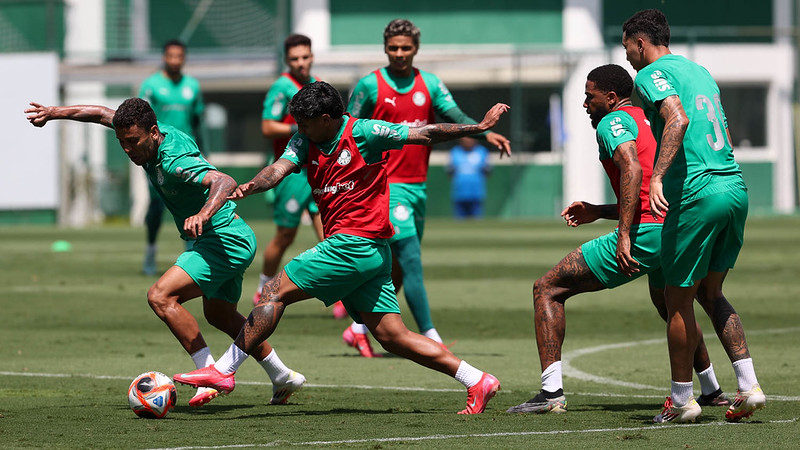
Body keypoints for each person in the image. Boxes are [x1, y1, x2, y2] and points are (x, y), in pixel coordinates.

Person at [173, 81, 507, 414]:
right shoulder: (305, 139)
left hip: (355, 243)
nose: (299, 129)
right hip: (371, 253)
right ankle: (477, 379)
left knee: (274, 291)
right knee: (393, 336)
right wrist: (252, 186)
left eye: (305, 122)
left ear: (328, 118)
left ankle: (224, 370)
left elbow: (424, 133)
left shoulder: (365, 132)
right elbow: (279, 169)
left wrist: (477, 128)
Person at [25, 98, 306, 408]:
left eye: (133, 141)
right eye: (121, 142)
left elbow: (223, 180)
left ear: (153, 132)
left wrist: (203, 213)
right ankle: (282, 375)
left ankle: (210, 374)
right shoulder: (146, 137)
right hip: (227, 238)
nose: (128, 149)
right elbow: (100, 113)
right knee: (220, 315)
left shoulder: (174, 159)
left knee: (160, 296)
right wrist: (53, 113)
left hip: (224, 239)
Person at [506, 64, 730, 415]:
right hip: (672, 229)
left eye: (589, 96)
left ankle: (550, 394)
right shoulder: (647, 118)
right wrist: (599, 210)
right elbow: (645, 189)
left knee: (547, 288)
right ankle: (712, 389)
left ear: (610, 98)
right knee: (672, 306)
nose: (584, 104)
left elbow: (632, 169)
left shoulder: (612, 122)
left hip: (644, 234)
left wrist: (623, 233)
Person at [622, 9, 765, 423]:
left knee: (676, 298)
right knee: (712, 293)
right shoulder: (700, 71)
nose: (628, 55)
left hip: (697, 191)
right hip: (733, 186)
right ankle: (749, 385)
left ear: (641, 43)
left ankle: (682, 400)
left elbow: (677, 118)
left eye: (627, 46)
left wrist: (658, 177)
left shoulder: (649, 75)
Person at [345, 18, 512, 356]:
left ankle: (357, 328)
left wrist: (483, 131)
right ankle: (431, 335)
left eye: (406, 48)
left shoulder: (429, 84)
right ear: (385, 48)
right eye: (393, 48)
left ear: (416, 49)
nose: (399, 54)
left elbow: (452, 113)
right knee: (410, 259)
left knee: (395, 267)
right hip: (385, 186)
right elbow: (347, 128)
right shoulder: (370, 85)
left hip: (417, 187)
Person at [252, 34, 345, 317]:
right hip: (291, 171)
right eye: (295, 58)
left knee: (328, 233)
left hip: (317, 169)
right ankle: (263, 286)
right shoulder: (282, 87)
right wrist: (303, 128)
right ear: (287, 60)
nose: (301, 63)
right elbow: (268, 127)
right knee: (285, 236)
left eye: (305, 57)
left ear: (312, 56)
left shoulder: (317, 86)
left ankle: (339, 291)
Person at [139, 39, 205, 276]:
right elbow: (140, 120)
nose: (175, 60)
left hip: (185, 156)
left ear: (184, 58)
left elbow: (197, 122)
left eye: (180, 56)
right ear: (164, 57)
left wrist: (202, 151)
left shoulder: (192, 86)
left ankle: (192, 255)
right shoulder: (151, 85)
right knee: (157, 205)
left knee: (190, 204)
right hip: (156, 156)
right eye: (171, 56)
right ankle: (150, 250)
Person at [447, 137, 491, 219]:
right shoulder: (455, 152)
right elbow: (449, 171)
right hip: (459, 192)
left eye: (470, 138)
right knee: (460, 221)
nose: (468, 140)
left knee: (476, 220)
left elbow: (487, 171)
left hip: (476, 193)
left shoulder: (482, 151)